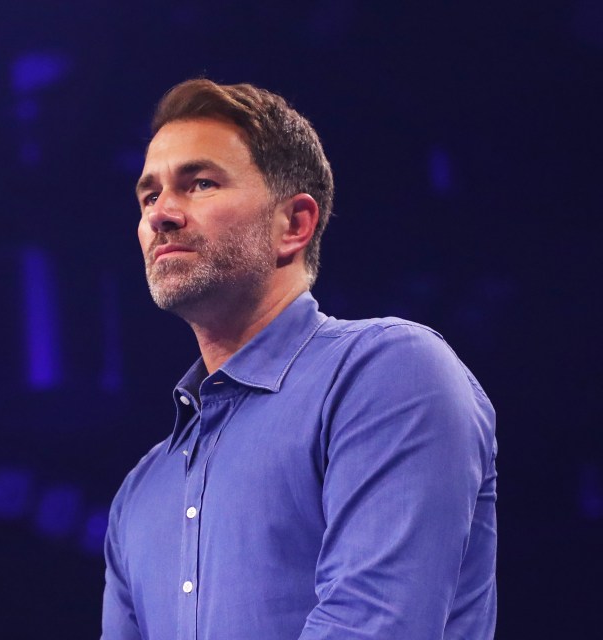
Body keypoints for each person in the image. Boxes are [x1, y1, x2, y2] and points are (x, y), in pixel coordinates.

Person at [101, 79, 497, 639]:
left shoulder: (388, 373)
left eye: (201, 183)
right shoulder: (140, 492)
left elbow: (373, 627)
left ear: (295, 224)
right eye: (148, 196)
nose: (161, 214)